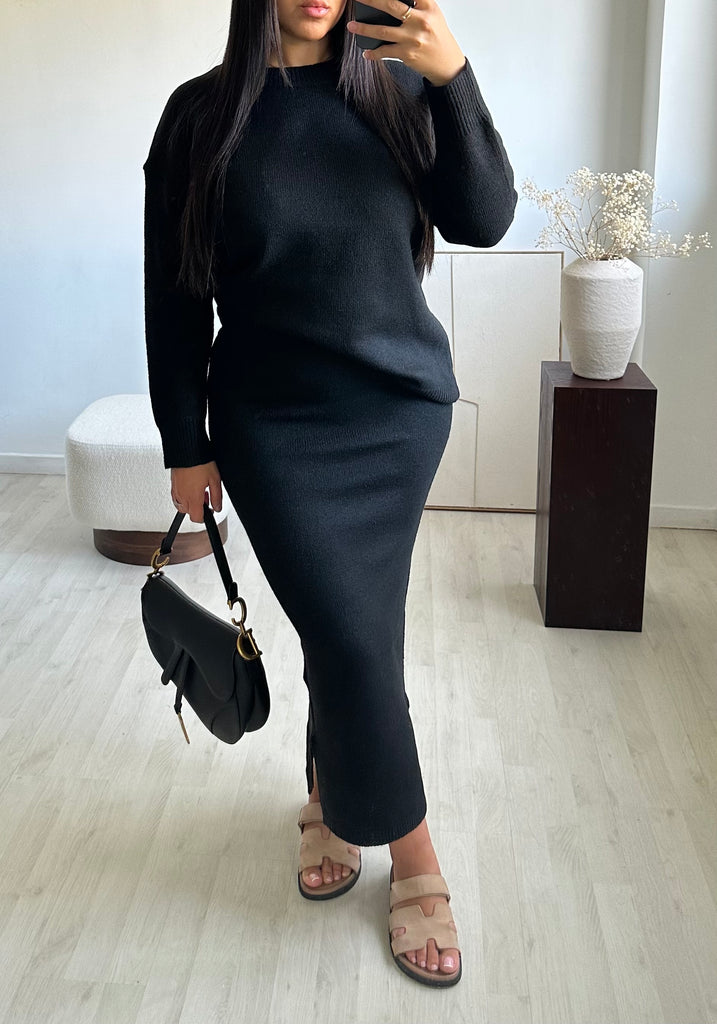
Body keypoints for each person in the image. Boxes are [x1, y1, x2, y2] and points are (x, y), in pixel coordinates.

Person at [143, 0, 517, 988]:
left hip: (398, 415)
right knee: (352, 634)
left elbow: (485, 220)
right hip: (273, 431)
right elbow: (173, 299)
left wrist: (455, 77)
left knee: (348, 630)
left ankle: (332, 794)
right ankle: (414, 850)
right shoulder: (198, 118)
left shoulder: (402, 89)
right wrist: (185, 442)